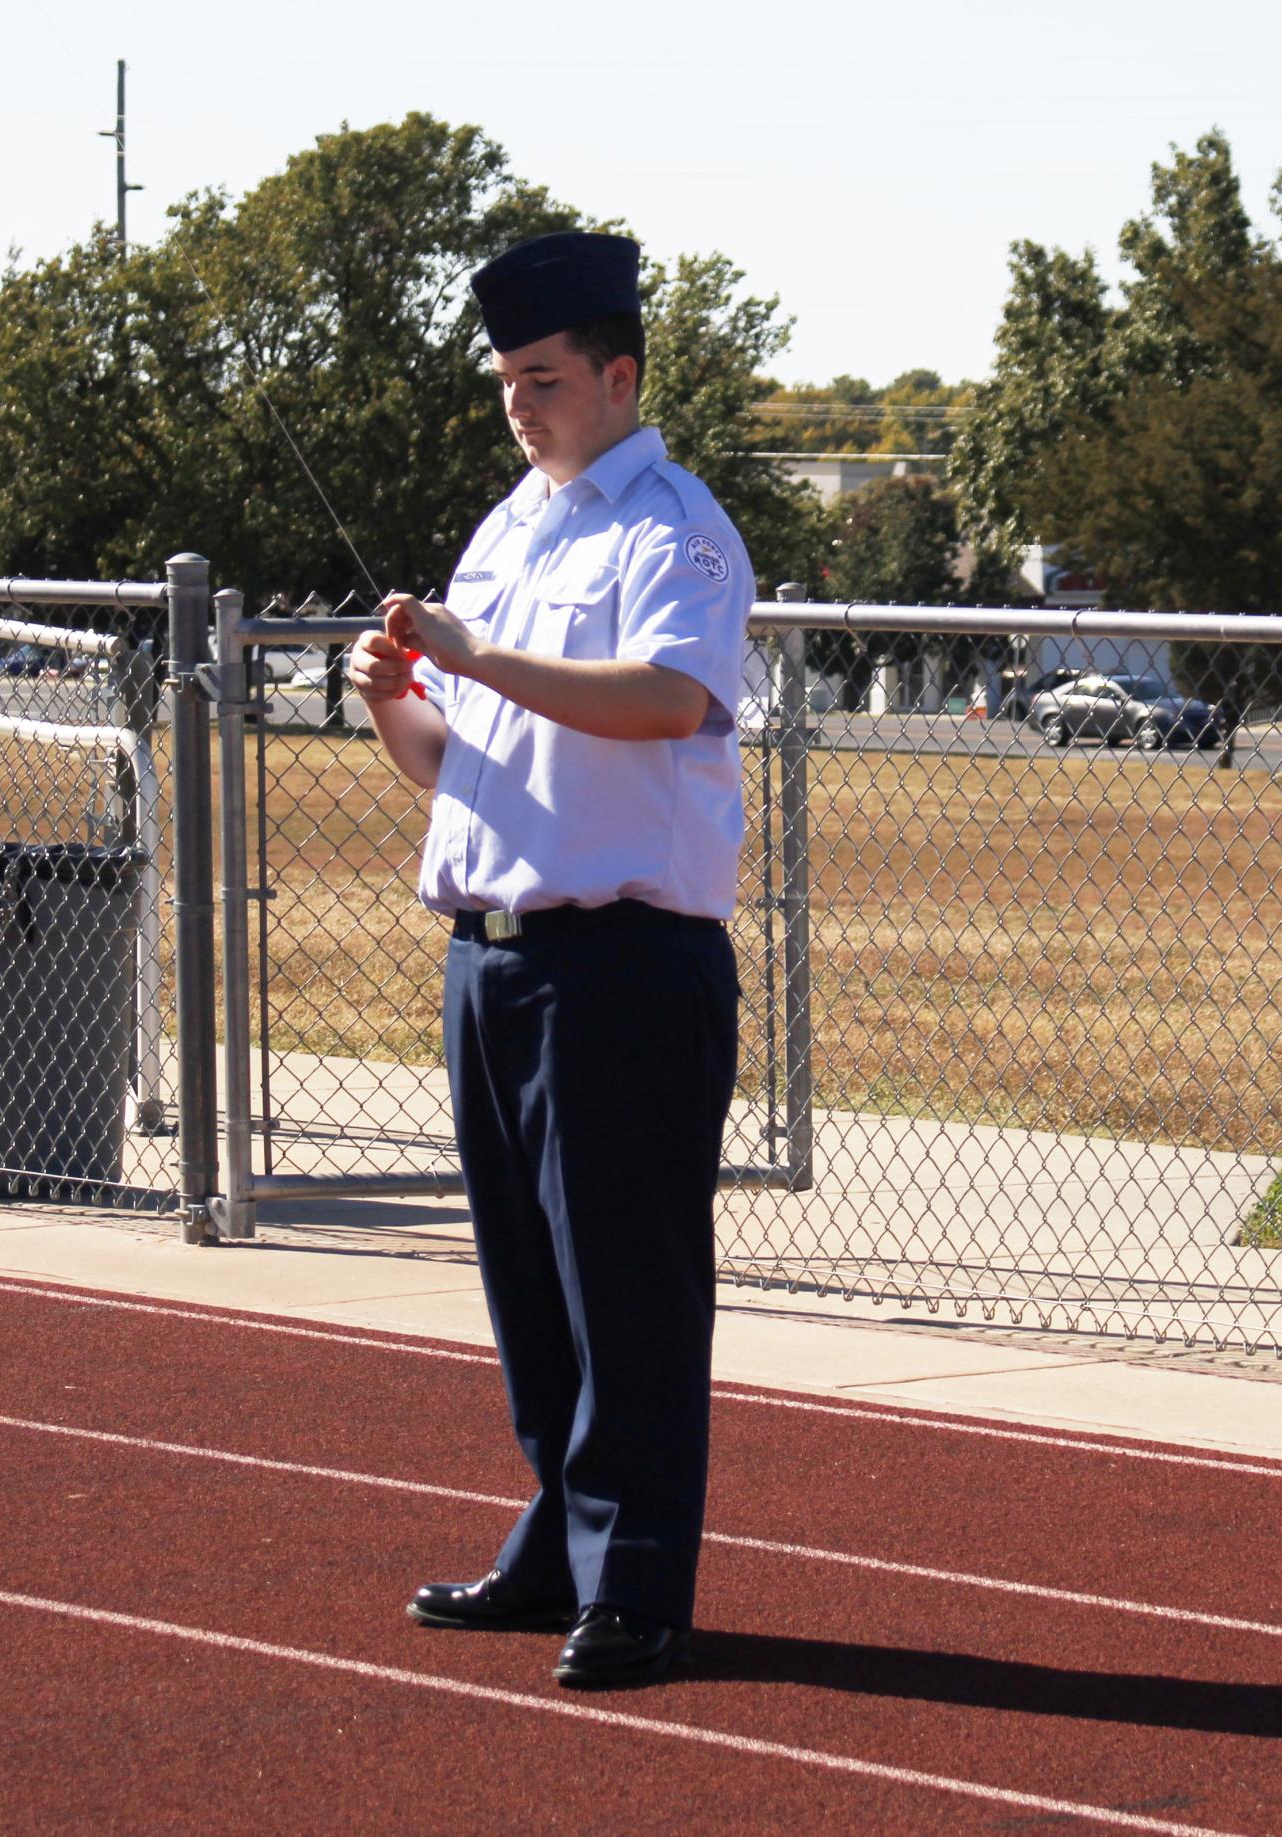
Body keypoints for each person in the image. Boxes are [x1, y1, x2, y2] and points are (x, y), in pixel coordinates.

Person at [348, 229, 752, 1690]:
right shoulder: (510, 527)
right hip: (496, 955)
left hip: (623, 961)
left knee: (626, 1284)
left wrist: (472, 654)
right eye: (506, 381)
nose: (520, 404)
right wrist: (394, 696)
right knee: (531, 1282)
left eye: (545, 376)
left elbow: (663, 698)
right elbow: (462, 767)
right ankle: (561, 1537)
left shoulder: (674, 529)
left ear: (619, 374)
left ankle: (637, 1577)